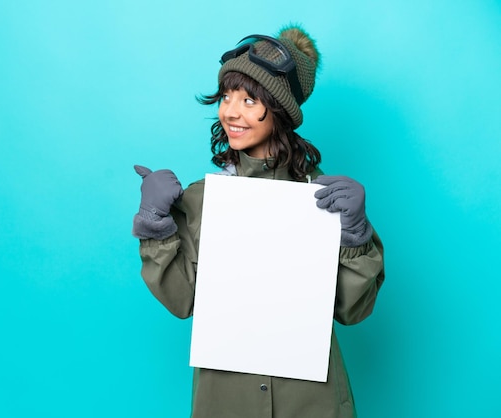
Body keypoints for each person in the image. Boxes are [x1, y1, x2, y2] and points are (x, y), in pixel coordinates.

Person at [132, 23, 385, 418]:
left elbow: (352, 310)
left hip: (313, 403)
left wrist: (354, 236)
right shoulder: (201, 200)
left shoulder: (327, 200)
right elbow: (182, 301)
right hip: (225, 402)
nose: (231, 111)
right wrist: (154, 225)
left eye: (249, 100)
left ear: (281, 110)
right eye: (227, 96)